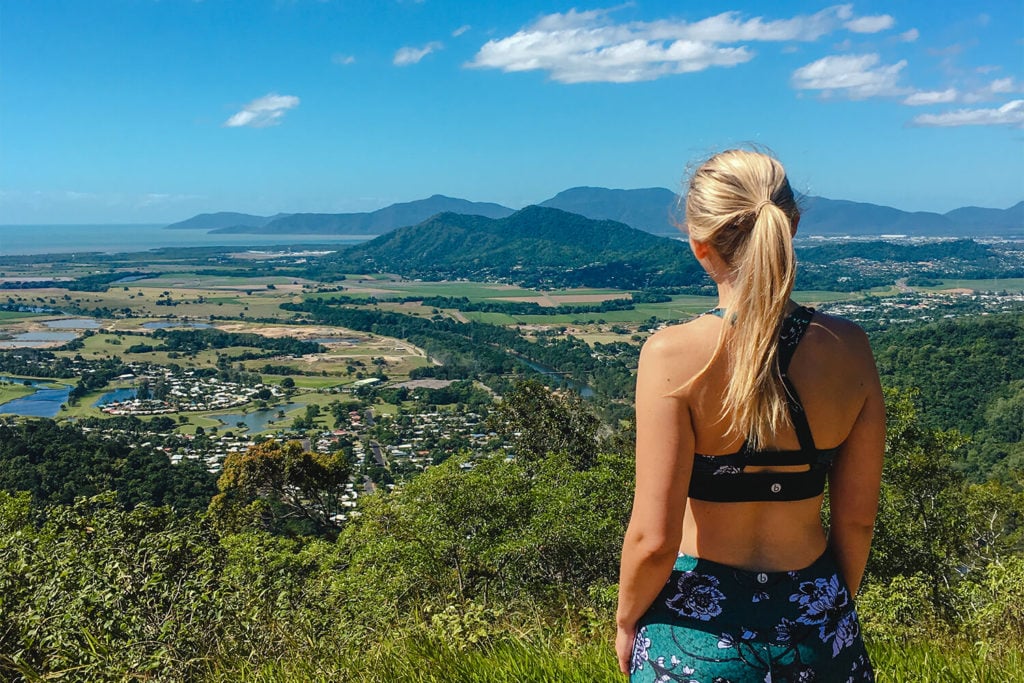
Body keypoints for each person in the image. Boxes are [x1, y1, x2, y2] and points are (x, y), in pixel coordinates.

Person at [616, 149, 884, 682]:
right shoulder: (851, 349)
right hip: (817, 625)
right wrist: (828, 610)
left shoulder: (671, 356)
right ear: (793, 226)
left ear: (699, 245)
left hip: (695, 636)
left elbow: (654, 538)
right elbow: (856, 519)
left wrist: (626, 623)